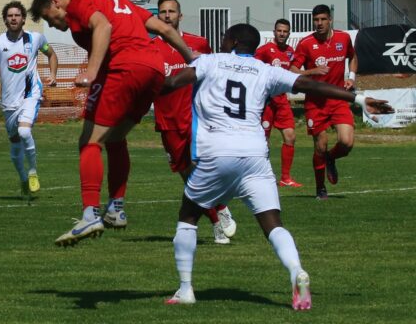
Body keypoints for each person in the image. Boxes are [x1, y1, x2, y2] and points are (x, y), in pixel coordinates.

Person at [162, 23, 392, 309]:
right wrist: (358, 98)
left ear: (232, 41)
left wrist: (137, 85)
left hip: (217, 152)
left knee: (188, 216)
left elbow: (171, 83)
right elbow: (310, 85)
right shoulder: (265, 69)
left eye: (224, 37)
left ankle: (185, 289)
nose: (222, 41)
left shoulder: (211, 61)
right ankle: (297, 271)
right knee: (273, 224)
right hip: (255, 155)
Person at [29, 0, 195, 246]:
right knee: (115, 137)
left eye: (49, 17)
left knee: (89, 141)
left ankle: (90, 213)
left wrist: (91, 72)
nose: (52, 24)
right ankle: (116, 207)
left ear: (55, 2)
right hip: (153, 69)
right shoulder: (117, 2)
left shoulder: (81, 2)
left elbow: (102, 27)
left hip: (126, 67)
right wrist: (191, 58)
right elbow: (163, 29)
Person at [153, 0, 236, 244]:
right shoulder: (150, 47)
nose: (167, 15)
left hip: (196, 118)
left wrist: (205, 60)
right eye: (162, 12)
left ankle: (218, 218)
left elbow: (214, 74)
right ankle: (218, 212)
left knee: (201, 172)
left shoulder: (198, 43)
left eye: (171, 11)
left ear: (180, 15)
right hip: (167, 120)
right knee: (188, 177)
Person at [0, 0, 58, 195]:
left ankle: (32, 172)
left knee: (24, 133)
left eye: (17, 15)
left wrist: (53, 75)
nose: (13, 18)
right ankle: (23, 179)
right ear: (5, 20)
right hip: (9, 102)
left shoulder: (36, 39)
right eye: (10, 16)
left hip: (30, 95)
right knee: (15, 143)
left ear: (23, 19)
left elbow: (51, 55)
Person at [290, 5, 358, 200]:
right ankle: (320, 188)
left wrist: (351, 77)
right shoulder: (306, 44)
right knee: (321, 144)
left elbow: (353, 57)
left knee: (346, 142)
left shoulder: (343, 38)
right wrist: (311, 71)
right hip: (315, 102)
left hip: (338, 98)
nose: (319, 23)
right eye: (316, 20)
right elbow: (293, 69)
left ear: (330, 20)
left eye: (322, 19)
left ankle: (330, 158)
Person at [255, 19, 302, 188]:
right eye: (279, 31)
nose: (282, 34)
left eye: (285, 31)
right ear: (274, 32)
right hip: (266, 101)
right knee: (263, 140)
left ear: (289, 33)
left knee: (290, 136)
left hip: (282, 100)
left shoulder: (290, 52)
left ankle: (285, 178)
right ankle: (261, 176)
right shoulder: (264, 51)